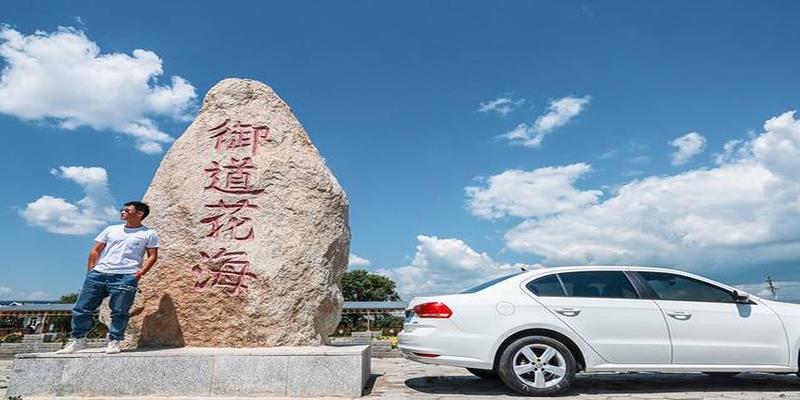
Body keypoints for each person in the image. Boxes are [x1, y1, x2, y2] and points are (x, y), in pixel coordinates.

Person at [57, 201, 159, 354]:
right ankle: (78, 340)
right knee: (82, 308)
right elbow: (95, 250)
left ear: (139, 214)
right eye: (122, 210)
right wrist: (91, 270)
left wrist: (139, 273)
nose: (122, 212)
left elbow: (152, 256)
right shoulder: (111, 229)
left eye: (127, 210)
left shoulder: (148, 233)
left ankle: (114, 341)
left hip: (125, 276)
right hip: (99, 274)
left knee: (119, 311)